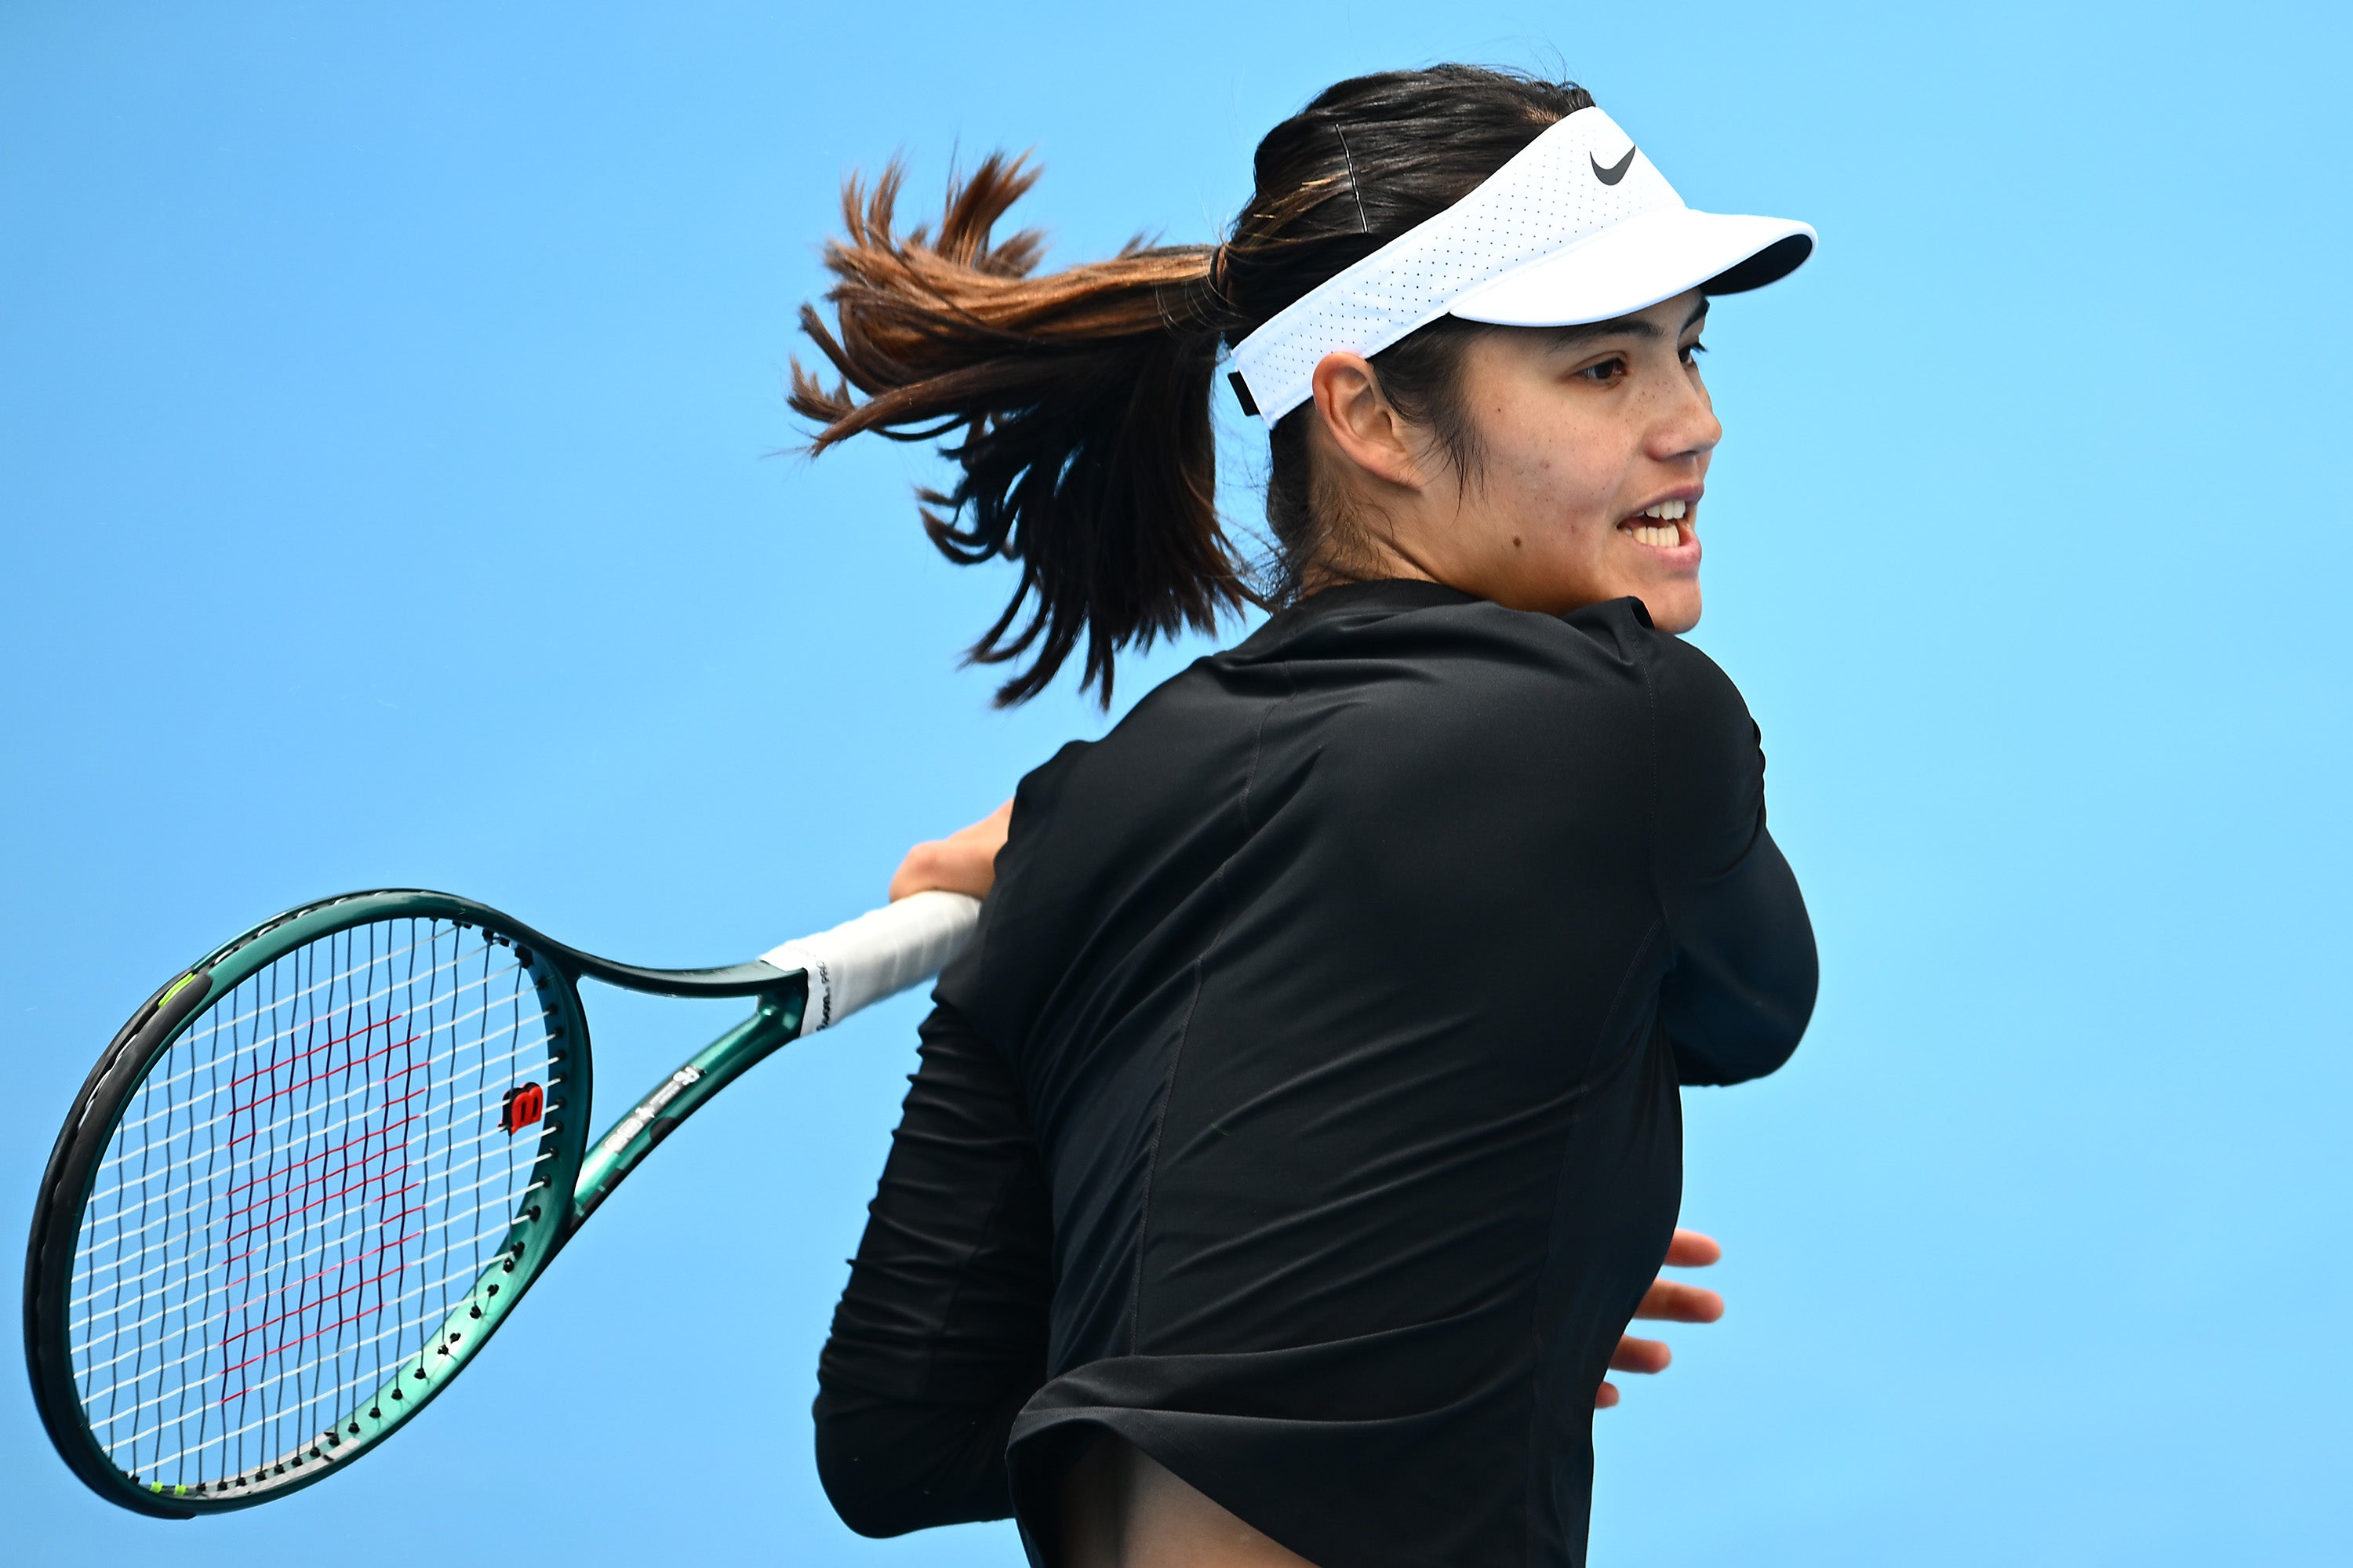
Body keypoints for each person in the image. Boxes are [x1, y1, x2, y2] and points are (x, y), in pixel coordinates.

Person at [795, 65, 1820, 1568]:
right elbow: (1753, 1008)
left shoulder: (1091, 820)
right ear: (1367, 414)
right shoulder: (1638, 723)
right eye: (1603, 369)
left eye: (1688, 350)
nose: (1696, 422)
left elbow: (896, 1440)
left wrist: (1382, 1297)